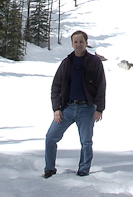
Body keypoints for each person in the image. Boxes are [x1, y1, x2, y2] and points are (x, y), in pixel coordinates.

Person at [43, 30, 106, 178]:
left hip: (87, 109)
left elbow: (101, 86)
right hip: (67, 108)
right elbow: (56, 86)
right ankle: (49, 169)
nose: (78, 45)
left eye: (81, 42)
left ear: (86, 43)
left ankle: (83, 170)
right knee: (51, 137)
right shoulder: (67, 62)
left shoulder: (94, 62)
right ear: (72, 44)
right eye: (76, 42)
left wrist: (100, 109)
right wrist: (57, 109)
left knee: (86, 142)